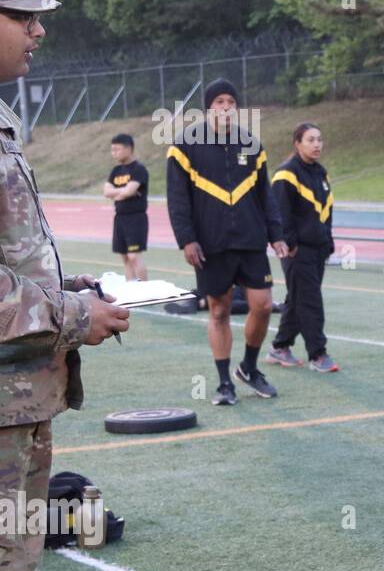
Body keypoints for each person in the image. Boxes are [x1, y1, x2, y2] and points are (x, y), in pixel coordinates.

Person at [1, 0, 130, 571]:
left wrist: (64, 287)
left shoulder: (4, 117)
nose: (38, 29)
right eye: (22, 15)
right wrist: (77, 314)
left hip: (20, 403)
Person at [166, 78, 287, 406]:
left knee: (262, 305)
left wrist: (276, 235)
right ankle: (223, 383)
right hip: (210, 244)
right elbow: (177, 199)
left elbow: (266, 195)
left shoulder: (251, 144)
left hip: (250, 241)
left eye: (231, 102)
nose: (225, 108)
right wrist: (187, 240)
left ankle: (248, 367)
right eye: (219, 102)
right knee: (218, 310)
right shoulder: (184, 147)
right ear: (208, 109)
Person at [267, 123, 338, 373]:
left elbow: (326, 211)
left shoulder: (321, 173)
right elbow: (279, 214)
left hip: (318, 249)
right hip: (297, 251)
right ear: (297, 143)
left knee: (298, 299)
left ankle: (280, 346)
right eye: (310, 140)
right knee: (310, 300)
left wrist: (328, 241)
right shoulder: (286, 174)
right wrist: (291, 245)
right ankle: (318, 354)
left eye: (319, 139)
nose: (317, 144)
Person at [102, 133, 149, 280]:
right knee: (126, 259)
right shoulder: (116, 171)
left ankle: (146, 289)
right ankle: (131, 292)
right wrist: (122, 192)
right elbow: (106, 192)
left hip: (135, 218)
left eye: (117, 149)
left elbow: (129, 191)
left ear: (129, 149)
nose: (114, 153)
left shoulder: (139, 169)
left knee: (134, 256)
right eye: (112, 150)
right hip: (120, 218)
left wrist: (120, 192)